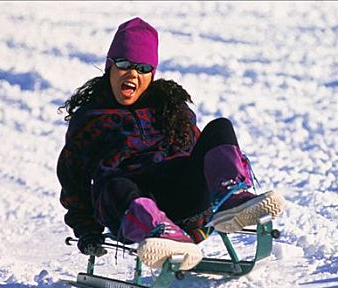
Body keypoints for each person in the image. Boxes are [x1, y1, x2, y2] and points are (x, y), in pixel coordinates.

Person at [57, 17, 284, 271]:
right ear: (110, 67)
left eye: (142, 68)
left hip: (181, 197)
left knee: (220, 128)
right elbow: (73, 180)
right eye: (124, 64)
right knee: (112, 183)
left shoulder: (170, 108)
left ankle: (231, 200)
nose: (133, 73)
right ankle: (158, 230)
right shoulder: (90, 119)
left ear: (151, 74)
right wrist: (87, 229)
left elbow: (204, 156)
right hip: (128, 203)